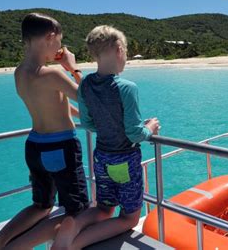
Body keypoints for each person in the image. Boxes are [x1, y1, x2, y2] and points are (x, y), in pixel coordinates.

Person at [0, 13, 89, 250]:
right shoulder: (52, 74)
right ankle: (18, 246)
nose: (59, 48)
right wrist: (73, 68)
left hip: (35, 146)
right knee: (77, 210)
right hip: (61, 148)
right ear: (50, 37)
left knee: (41, 205)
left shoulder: (20, 72)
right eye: (59, 42)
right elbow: (89, 98)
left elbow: (54, 103)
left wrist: (78, 115)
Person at [52, 25, 160, 249]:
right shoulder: (127, 88)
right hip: (125, 161)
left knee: (104, 208)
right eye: (127, 52)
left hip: (101, 159)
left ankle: (74, 224)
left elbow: (89, 122)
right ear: (119, 49)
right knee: (128, 218)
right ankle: (76, 243)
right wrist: (150, 128)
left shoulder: (87, 85)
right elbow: (134, 133)